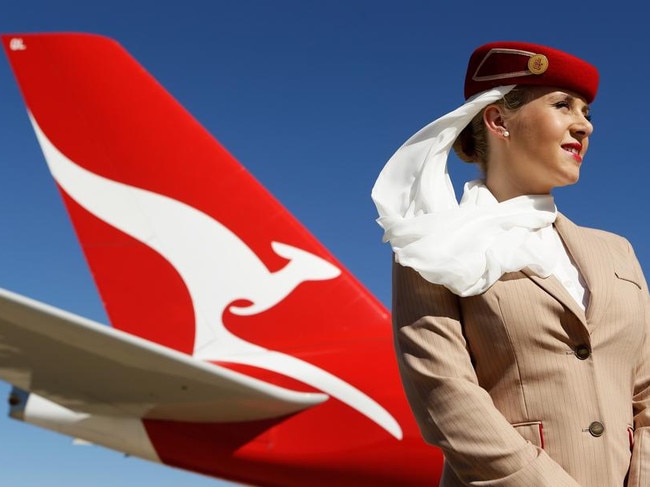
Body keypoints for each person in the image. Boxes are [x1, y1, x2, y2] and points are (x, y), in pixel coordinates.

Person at [371, 41, 650, 486]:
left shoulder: (617, 252)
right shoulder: (432, 243)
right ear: (499, 120)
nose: (585, 127)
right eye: (563, 105)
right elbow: (444, 393)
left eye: (588, 114)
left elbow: (645, 394)